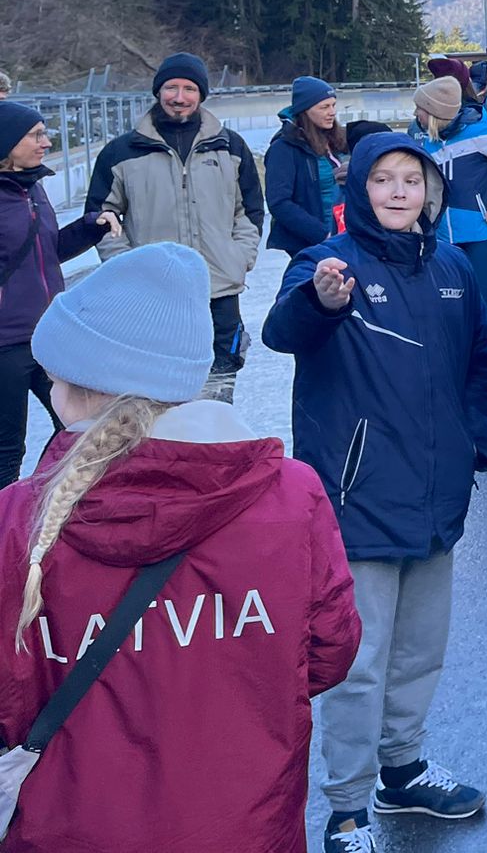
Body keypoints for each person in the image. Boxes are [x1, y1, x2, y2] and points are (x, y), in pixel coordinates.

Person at [0, 243, 360, 851]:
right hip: (247, 819)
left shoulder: (18, 518)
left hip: (76, 821)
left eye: (53, 373)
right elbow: (330, 652)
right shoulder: (289, 493)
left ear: (80, 385)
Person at [263, 132, 487, 850]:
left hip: (437, 495)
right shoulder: (327, 263)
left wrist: (474, 443)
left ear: (431, 192)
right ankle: (346, 807)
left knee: (421, 651)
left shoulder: (451, 266)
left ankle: (403, 769)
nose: (399, 191)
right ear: (359, 189)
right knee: (358, 663)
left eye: (412, 180)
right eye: (383, 179)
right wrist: (322, 302)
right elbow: (281, 330)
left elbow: (481, 359)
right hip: (356, 496)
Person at [85, 52, 262, 398]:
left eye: (189, 89)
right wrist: (130, 267)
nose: (179, 97)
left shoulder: (230, 147)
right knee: (159, 396)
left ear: (201, 94)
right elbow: (101, 217)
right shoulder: (122, 152)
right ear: (158, 91)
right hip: (155, 295)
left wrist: (238, 256)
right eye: (171, 88)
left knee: (218, 394)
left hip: (218, 291)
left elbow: (250, 211)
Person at [0, 104, 118, 481]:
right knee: (7, 448)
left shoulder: (33, 188)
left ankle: (42, 497)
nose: (47, 143)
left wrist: (91, 227)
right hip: (4, 345)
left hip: (46, 336)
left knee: (78, 429)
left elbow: (46, 251)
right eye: (35, 135)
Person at [411, 75, 487, 351]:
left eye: (419, 108)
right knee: (454, 297)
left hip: (483, 233)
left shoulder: (478, 134)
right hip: (444, 235)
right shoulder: (428, 141)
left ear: (433, 112)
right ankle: (469, 352)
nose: (415, 113)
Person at [265, 76, 346, 256]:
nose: (332, 112)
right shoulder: (283, 148)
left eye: (333, 105)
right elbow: (279, 202)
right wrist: (321, 234)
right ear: (305, 110)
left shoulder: (336, 140)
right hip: (312, 244)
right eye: (324, 107)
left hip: (343, 237)